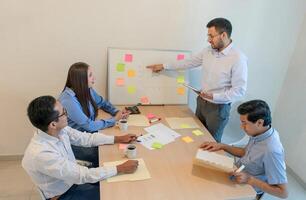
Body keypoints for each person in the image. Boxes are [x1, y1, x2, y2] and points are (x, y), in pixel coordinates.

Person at [147, 18, 247, 142]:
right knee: (197, 136)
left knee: (211, 143)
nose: (208, 39)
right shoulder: (208, 50)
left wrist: (213, 96)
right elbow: (189, 62)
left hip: (218, 109)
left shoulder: (238, 58)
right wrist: (164, 66)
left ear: (224, 35)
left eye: (211, 36)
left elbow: (239, 91)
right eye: (208, 35)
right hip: (201, 102)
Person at [22, 95, 139, 200]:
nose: (67, 114)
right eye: (64, 112)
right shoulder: (41, 154)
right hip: (64, 194)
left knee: (113, 183)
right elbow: (82, 175)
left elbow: (85, 138)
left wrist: (117, 139)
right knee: (115, 193)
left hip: (73, 180)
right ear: (53, 124)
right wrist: (119, 168)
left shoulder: (59, 130)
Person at [200, 100, 288, 199]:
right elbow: (245, 153)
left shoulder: (272, 150)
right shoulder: (260, 133)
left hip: (247, 187)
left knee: (205, 192)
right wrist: (222, 146)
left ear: (259, 122)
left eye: (244, 123)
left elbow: (283, 193)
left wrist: (250, 179)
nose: (242, 127)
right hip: (237, 173)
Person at [59, 62, 129, 167]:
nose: (94, 78)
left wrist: (116, 112)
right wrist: (114, 119)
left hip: (88, 135)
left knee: (117, 144)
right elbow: (89, 126)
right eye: (90, 75)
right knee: (107, 154)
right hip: (76, 141)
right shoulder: (68, 100)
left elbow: (102, 103)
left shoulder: (87, 89)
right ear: (81, 79)